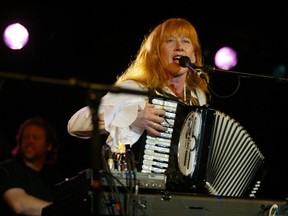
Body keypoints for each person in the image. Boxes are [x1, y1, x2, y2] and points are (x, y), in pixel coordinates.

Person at [67, 17, 211, 165]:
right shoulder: (136, 88)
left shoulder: (197, 97)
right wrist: (131, 117)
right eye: (170, 41)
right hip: (135, 184)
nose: (179, 47)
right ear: (155, 54)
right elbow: (75, 125)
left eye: (186, 41)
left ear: (194, 55)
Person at [0, 117, 63, 216]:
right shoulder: (8, 169)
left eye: (35, 137)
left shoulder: (51, 179)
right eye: (26, 137)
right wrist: (61, 210)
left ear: (49, 146)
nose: (30, 141)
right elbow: (19, 204)